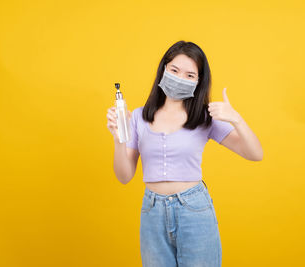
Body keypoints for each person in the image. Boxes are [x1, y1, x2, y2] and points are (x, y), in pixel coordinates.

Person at [106, 40, 263, 267]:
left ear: (199, 82)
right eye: (174, 70)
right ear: (163, 69)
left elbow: (255, 153)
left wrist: (236, 118)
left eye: (190, 75)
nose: (180, 78)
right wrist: (118, 139)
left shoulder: (204, 118)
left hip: (194, 209)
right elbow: (124, 176)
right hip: (152, 212)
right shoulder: (139, 117)